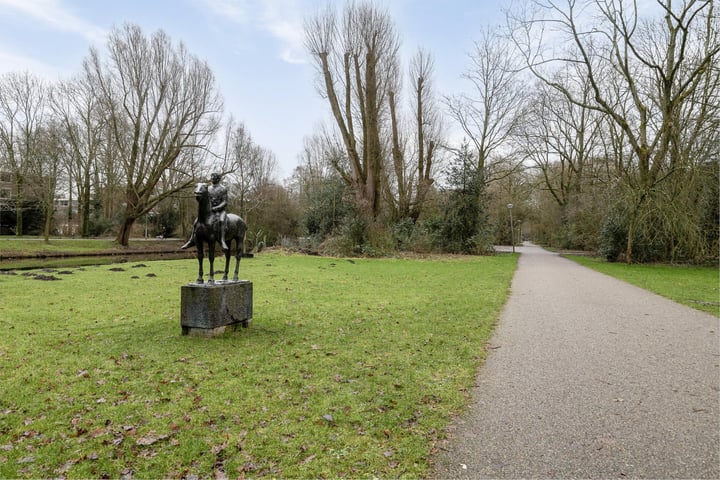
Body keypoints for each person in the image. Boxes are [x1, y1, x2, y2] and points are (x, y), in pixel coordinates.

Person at [181, 172, 229, 251]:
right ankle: (191, 240)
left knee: (222, 220)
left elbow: (225, 202)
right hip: (209, 211)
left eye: (214, 177)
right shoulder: (208, 188)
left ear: (218, 179)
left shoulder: (223, 189)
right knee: (196, 222)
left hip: (220, 210)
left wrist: (216, 208)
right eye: (212, 177)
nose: (212, 178)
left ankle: (222, 240)